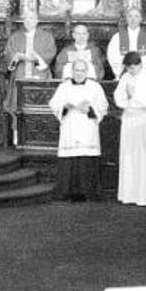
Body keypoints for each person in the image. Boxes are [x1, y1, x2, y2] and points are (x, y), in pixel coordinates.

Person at [49, 59, 109, 202]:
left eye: (82, 71)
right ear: (72, 71)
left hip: (87, 127)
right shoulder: (64, 87)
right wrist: (65, 106)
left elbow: (103, 105)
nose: (79, 73)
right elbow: (54, 103)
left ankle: (88, 192)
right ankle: (66, 192)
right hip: (70, 125)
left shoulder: (95, 87)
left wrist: (90, 109)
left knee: (86, 157)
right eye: (77, 70)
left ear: (87, 72)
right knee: (70, 157)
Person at [113, 52, 146, 206]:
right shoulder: (125, 77)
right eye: (128, 68)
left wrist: (134, 96)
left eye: (133, 68)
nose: (131, 71)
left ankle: (145, 196)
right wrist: (126, 100)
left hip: (144, 120)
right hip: (129, 119)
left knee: (143, 157)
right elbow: (118, 97)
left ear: (140, 64)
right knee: (128, 155)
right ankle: (128, 194)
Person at [2, 11, 57, 115]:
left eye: (31, 18)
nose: (28, 21)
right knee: (18, 107)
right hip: (20, 75)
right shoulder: (15, 37)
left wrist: (37, 57)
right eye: (25, 19)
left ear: (37, 21)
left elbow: (50, 53)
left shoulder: (47, 36)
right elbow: (8, 55)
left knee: (39, 105)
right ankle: (17, 130)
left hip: (39, 74)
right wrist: (15, 57)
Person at [106, 7, 146, 77]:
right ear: (126, 19)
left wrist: (139, 67)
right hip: (124, 72)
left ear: (141, 19)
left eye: (136, 16)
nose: (133, 19)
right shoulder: (117, 36)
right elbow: (112, 55)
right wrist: (127, 66)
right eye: (130, 16)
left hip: (143, 73)